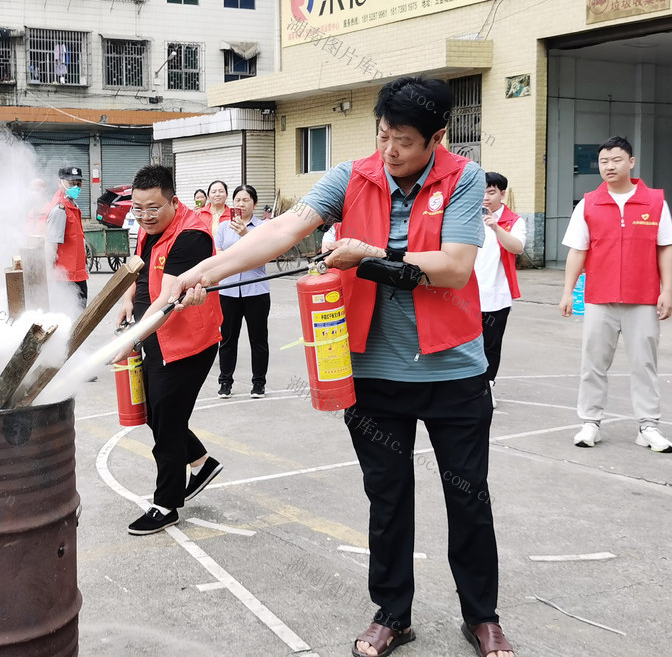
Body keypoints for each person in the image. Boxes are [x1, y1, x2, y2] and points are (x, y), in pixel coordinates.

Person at [173, 76, 514, 657]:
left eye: (404, 140)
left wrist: (375, 255)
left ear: (436, 137)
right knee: (387, 496)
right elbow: (284, 228)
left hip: (453, 373)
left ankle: (482, 616)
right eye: (383, 135)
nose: (390, 151)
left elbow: (454, 268)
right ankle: (393, 614)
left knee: (468, 497)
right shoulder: (351, 178)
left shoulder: (464, 179)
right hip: (373, 375)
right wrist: (206, 272)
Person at [114, 165, 224, 536]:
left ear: (174, 201)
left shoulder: (192, 236)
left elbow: (166, 299)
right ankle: (202, 463)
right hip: (156, 337)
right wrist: (129, 299)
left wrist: (129, 340)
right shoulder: (151, 229)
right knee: (155, 413)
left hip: (186, 344)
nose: (144, 217)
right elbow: (141, 272)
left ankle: (166, 505)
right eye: (138, 209)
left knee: (168, 424)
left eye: (153, 208)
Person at [559, 136, 672, 452]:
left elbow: (665, 249)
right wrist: (568, 292)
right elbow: (577, 252)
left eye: (617, 160)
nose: (609, 166)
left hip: (643, 298)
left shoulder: (654, 203)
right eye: (604, 161)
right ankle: (590, 423)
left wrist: (668, 290)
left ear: (631, 162)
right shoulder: (588, 204)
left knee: (644, 364)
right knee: (593, 363)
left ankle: (648, 426)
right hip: (599, 297)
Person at [214, 185, 270, 399]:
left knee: (258, 339)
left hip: (256, 290)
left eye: (245, 200)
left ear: (254, 204)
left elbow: (265, 256)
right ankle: (225, 382)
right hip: (228, 291)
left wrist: (246, 235)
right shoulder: (223, 228)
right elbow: (218, 255)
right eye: (237, 199)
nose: (240, 204)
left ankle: (258, 383)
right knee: (227, 339)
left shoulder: (263, 227)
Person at [475, 172, 525, 408]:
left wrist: (496, 227)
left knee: (491, 345)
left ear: (502, 193)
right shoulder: (469, 216)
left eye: (491, 192)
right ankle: (467, 387)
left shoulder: (514, 221)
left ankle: (487, 387)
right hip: (467, 295)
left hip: (497, 296)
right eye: (482, 191)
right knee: (466, 344)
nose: (485, 197)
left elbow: (517, 248)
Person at [40, 166, 89, 309]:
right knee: (72, 317)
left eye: (78, 184)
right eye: (71, 183)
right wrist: (49, 277)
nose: (76, 187)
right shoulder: (60, 210)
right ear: (60, 183)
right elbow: (51, 245)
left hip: (76, 275)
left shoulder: (71, 205)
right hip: (65, 278)